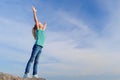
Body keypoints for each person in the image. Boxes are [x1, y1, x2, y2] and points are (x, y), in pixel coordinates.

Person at [23, 6, 47, 78]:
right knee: (32, 59)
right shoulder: (38, 30)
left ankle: (35, 74)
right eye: (39, 23)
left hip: (40, 48)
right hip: (37, 46)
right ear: (38, 26)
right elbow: (36, 20)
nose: (40, 22)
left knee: (37, 61)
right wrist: (34, 12)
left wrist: (45, 24)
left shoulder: (43, 30)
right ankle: (26, 73)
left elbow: (45, 25)